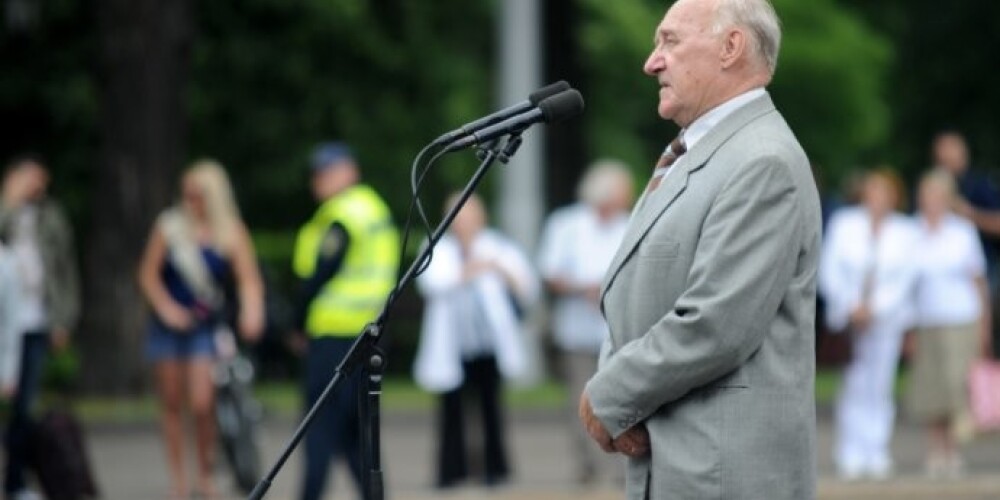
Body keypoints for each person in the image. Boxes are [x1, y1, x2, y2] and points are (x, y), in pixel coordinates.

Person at [577, 0, 821, 497]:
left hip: (725, 475)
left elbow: (716, 324)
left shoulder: (761, 161)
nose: (652, 61)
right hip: (686, 467)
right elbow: (636, 295)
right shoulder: (708, 153)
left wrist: (610, 393)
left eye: (670, 41)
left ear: (731, 47)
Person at [138, 159, 264, 499]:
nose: (191, 200)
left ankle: (205, 473)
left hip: (205, 326)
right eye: (188, 193)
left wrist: (253, 313)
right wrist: (167, 309)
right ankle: (179, 479)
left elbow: (248, 279)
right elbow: (148, 276)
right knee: (171, 403)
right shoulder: (170, 227)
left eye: (198, 194)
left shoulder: (231, 231)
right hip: (168, 327)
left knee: (202, 403)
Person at [292, 142, 399, 500]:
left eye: (327, 171)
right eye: (317, 173)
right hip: (368, 333)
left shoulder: (343, 214)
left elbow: (320, 274)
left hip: (333, 335)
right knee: (355, 433)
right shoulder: (374, 209)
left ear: (349, 171)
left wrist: (296, 322)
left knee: (319, 428)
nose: (318, 180)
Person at [413, 193, 539, 489]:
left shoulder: (495, 245)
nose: (465, 224)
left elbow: (526, 286)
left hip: (487, 345)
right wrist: (469, 270)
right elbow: (431, 283)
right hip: (452, 346)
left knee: (490, 408)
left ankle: (494, 470)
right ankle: (450, 471)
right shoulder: (437, 248)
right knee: (451, 411)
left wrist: (497, 269)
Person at [537, 160, 633, 485]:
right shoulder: (566, 224)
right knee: (580, 397)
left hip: (619, 329)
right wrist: (584, 289)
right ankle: (588, 462)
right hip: (576, 328)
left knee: (622, 396)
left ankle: (622, 464)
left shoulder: (629, 222)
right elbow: (549, 273)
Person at [819, 169, 919, 480]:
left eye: (884, 191)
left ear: (894, 196)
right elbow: (829, 268)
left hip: (885, 320)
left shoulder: (905, 230)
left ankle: (876, 450)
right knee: (853, 383)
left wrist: (875, 308)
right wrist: (852, 306)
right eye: (872, 191)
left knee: (880, 384)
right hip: (849, 318)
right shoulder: (845, 223)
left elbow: (906, 277)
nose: (877, 198)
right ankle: (850, 451)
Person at [0, 156, 80, 500]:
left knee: (24, 405)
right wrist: (9, 201)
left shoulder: (51, 215)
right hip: (4, 320)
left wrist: (62, 318)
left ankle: (15, 482)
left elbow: (64, 268)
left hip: (35, 321)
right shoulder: (6, 212)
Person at [907, 170, 991, 478]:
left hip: (960, 318)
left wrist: (984, 327)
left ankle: (953, 451)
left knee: (957, 386)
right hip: (927, 319)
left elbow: (978, 282)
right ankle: (934, 450)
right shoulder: (911, 231)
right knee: (932, 387)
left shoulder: (962, 232)